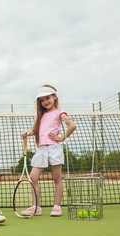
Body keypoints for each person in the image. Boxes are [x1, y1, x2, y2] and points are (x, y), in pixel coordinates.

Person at [21, 85, 76, 217]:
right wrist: (27, 133)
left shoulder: (60, 113)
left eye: (48, 98)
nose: (45, 102)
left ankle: (57, 207)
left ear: (54, 97)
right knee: (33, 177)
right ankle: (36, 207)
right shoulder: (40, 116)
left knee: (57, 178)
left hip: (54, 148)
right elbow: (33, 131)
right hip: (41, 149)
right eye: (42, 100)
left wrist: (61, 137)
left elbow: (72, 125)